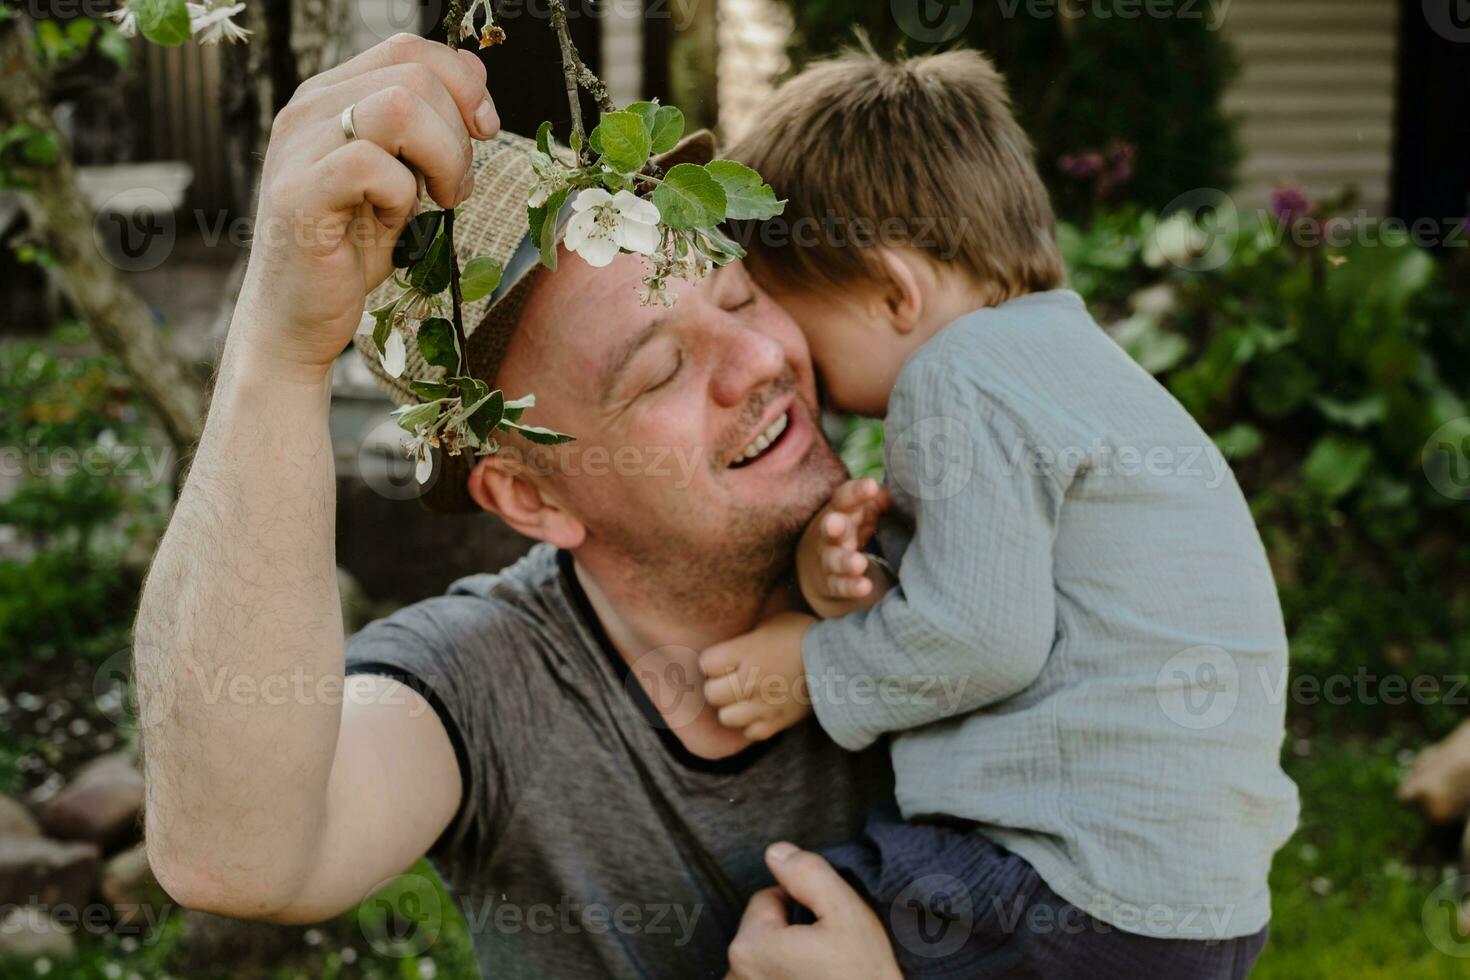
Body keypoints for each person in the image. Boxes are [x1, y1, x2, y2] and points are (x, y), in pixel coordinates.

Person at [132, 33, 900, 979]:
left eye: (740, 300)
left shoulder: (945, 545)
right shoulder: (492, 688)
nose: (761, 362)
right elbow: (234, 853)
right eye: (660, 371)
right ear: (528, 498)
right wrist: (282, 350)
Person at [699, 48, 1301, 976]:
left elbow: (982, 640)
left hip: (1068, 883)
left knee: (790, 926)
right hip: (1196, 904)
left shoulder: (958, 372)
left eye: (800, 330)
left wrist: (815, 667)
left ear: (894, 291)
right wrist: (847, 590)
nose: (790, 369)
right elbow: (1020, 606)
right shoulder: (1068, 363)